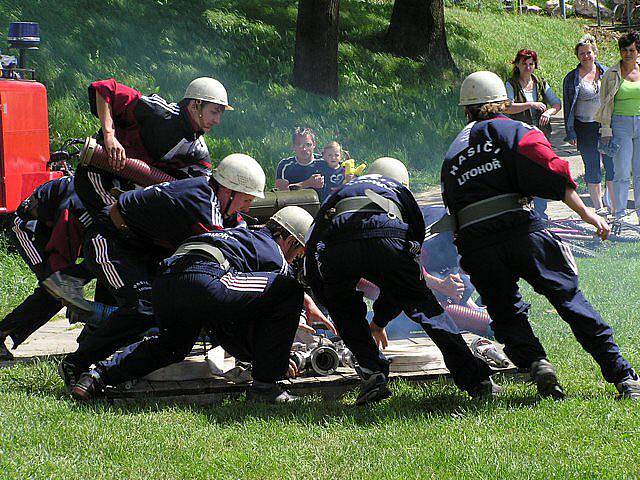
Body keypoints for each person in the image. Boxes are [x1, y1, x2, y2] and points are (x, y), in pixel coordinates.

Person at [441, 70, 639, 400]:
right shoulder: (513, 129)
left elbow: (451, 203)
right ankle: (622, 375)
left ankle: (536, 363)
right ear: (501, 103)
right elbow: (551, 168)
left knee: (505, 311)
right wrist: (586, 212)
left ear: (467, 109)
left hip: (477, 243)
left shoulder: (454, 150)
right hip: (520, 229)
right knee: (567, 298)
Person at [70, 206, 329, 404]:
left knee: (171, 345)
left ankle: (97, 376)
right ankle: (266, 387)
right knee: (291, 291)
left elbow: (239, 310)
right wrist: (279, 353)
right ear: (287, 238)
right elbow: (279, 295)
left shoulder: (241, 235)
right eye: (298, 251)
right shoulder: (271, 248)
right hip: (205, 279)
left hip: (166, 284)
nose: (295, 258)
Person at [57, 154, 266, 390]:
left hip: (140, 249)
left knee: (164, 322)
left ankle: (102, 363)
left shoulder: (215, 199)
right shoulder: (202, 201)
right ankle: (76, 363)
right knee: (142, 306)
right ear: (228, 191)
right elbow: (227, 250)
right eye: (246, 200)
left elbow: (241, 237)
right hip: (110, 240)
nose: (247, 207)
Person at [305, 157, 498, 406]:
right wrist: (381, 319)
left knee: (343, 309)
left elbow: (314, 237)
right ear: (402, 180)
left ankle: (372, 373)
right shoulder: (399, 190)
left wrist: (327, 297)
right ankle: (478, 382)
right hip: (388, 238)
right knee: (428, 311)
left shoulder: (341, 190)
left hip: (337, 246)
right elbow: (407, 262)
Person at [75, 76, 232, 218]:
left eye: (220, 114)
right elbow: (105, 88)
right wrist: (109, 136)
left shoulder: (197, 150)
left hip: (129, 191)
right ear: (194, 106)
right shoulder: (158, 112)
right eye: (214, 112)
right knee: (113, 224)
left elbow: (205, 186)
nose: (217, 120)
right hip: (98, 171)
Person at [0, 177, 93, 359]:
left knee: (59, 290)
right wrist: (71, 292)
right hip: (27, 227)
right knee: (54, 287)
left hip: (52, 227)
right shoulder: (79, 198)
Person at [505, 49, 562, 221]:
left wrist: (549, 113)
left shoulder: (541, 83)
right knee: (522, 173)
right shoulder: (511, 84)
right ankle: (522, 210)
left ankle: (541, 212)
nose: (528, 68)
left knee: (542, 172)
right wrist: (530, 104)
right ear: (517, 64)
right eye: (524, 64)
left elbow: (556, 103)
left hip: (541, 136)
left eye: (531, 64)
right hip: (520, 135)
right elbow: (508, 107)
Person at [563, 35, 614, 216]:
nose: (585, 56)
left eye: (588, 52)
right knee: (592, 166)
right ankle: (598, 207)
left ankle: (612, 203)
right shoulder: (571, 78)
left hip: (605, 125)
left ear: (595, 53)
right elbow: (568, 106)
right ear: (577, 56)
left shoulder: (607, 72)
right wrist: (571, 132)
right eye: (581, 54)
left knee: (611, 164)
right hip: (584, 127)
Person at [596, 31, 640, 220]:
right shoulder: (611, 73)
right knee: (622, 171)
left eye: (632, 50)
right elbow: (604, 104)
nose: (628, 54)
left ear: (638, 51)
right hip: (620, 123)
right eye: (624, 50)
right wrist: (606, 130)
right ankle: (620, 214)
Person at [275, 127, 328, 199]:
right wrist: (308, 183)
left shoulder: (325, 162)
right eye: (299, 145)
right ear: (293, 146)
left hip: (322, 206)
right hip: (294, 206)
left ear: (314, 145)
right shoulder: (285, 165)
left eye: (308, 145)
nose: (304, 149)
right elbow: (279, 192)